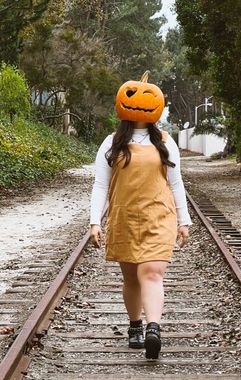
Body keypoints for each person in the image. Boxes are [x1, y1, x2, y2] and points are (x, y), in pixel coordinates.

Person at [89, 71, 192, 359]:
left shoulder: (165, 142)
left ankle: (153, 329)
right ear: (123, 103)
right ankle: (135, 325)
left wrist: (184, 220)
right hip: (124, 216)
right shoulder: (111, 143)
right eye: (135, 97)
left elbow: (176, 182)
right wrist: (95, 220)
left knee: (152, 273)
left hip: (158, 216)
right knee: (131, 277)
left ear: (157, 106)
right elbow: (100, 184)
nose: (142, 105)